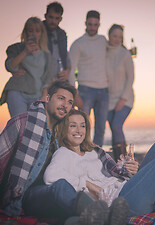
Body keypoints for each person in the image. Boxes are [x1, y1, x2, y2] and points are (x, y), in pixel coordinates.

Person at [0, 81, 119, 225]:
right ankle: (106, 220)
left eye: (70, 102)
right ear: (48, 98)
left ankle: (76, 224)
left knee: (64, 187)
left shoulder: (61, 134)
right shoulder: (23, 123)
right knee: (61, 186)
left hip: (48, 194)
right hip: (25, 197)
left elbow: (78, 155)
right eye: (61, 98)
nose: (65, 105)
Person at [68, 10, 108, 147]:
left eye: (95, 24)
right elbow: (71, 70)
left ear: (99, 25)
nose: (92, 27)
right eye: (90, 24)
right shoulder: (77, 44)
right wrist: (75, 94)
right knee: (82, 127)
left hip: (104, 90)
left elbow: (116, 51)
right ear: (85, 23)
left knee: (101, 129)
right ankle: (82, 154)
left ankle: (97, 159)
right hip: (85, 90)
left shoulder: (103, 40)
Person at [0, 17, 53, 117]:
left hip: (38, 95)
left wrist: (44, 95)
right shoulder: (15, 48)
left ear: (41, 33)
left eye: (37, 31)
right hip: (17, 92)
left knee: (35, 128)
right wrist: (25, 52)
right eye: (30, 30)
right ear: (26, 32)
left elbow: (48, 77)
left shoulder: (47, 55)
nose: (34, 34)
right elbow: (10, 66)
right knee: (20, 127)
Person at [106, 24, 135, 160]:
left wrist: (123, 99)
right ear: (109, 36)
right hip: (108, 100)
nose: (117, 39)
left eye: (120, 37)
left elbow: (131, 78)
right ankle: (119, 163)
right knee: (114, 128)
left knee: (116, 126)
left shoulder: (125, 54)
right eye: (115, 36)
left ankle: (123, 161)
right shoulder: (104, 52)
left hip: (125, 99)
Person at [43, 1, 71, 81]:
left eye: (57, 18)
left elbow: (65, 55)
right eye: (51, 17)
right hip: (41, 80)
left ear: (61, 19)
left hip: (58, 79)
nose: (53, 21)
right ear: (45, 16)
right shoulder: (37, 30)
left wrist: (67, 71)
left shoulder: (62, 34)